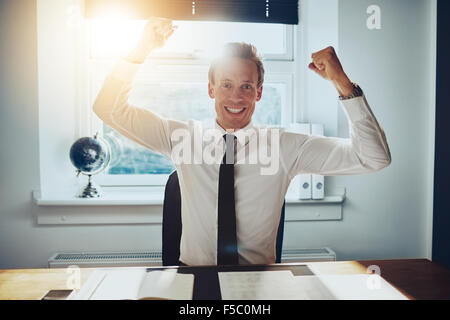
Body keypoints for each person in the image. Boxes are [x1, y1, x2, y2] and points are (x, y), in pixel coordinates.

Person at [93, 17, 391, 266]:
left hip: (260, 282)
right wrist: (141, 50)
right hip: (192, 279)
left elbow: (373, 157)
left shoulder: (284, 147)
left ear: (258, 93)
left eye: (246, 86)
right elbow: (108, 107)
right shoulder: (181, 138)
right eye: (226, 85)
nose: (236, 96)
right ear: (211, 89)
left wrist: (343, 84)